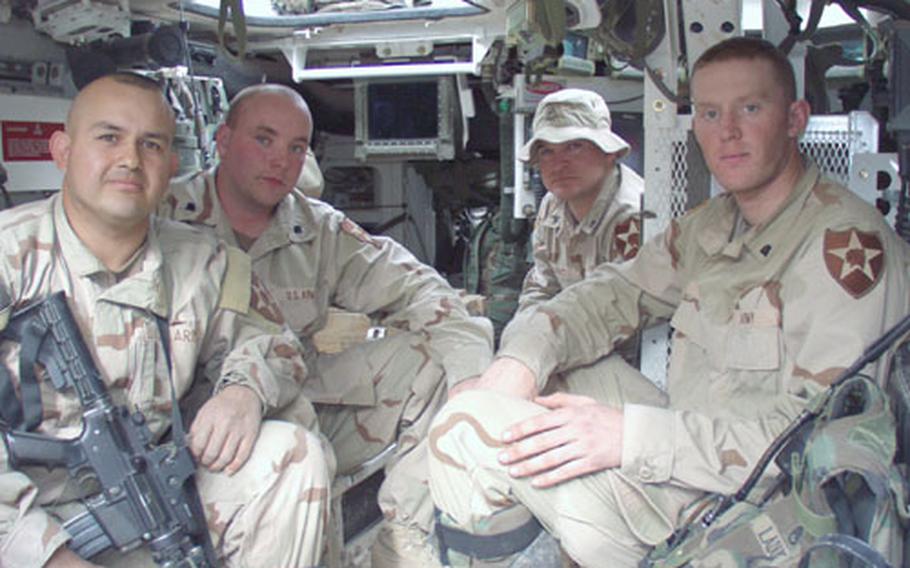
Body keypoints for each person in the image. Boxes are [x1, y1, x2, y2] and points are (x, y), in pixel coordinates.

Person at [427, 36, 910, 567]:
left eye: (750, 108)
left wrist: (628, 437)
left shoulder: (844, 250)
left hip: (762, 512)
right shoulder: (715, 225)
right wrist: (518, 363)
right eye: (708, 112)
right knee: (534, 382)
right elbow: (609, 295)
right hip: (691, 459)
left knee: (463, 431)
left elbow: (811, 445)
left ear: (794, 119)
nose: (727, 131)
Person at [0, 73, 332, 568]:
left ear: (172, 164)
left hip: (149, 505)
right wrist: (45, 554)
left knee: (292, 451)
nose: (130, 160)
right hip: (22, 524)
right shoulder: (12, 256)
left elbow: (275, 344)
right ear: (63, 151)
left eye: (151, 144)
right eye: (109, 137)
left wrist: (244, 391)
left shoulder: (206, 260)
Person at [160, 83, 495, 566]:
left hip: (292, 397)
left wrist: (471, 388)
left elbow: (424, 292)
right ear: (222, 140)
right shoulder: (163, 214)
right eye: (264, 139)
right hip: (184, 416)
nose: (281, 160)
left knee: (436, 358)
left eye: (297, 148)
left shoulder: (317, 230)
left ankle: (403, 538)